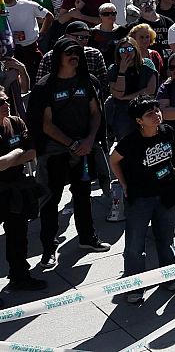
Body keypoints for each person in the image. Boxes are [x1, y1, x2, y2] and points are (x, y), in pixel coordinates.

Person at [36, 41, 110, 266]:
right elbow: (46, 125)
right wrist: (72, 144)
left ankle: (87, 238)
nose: (74, 57)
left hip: (84, 150)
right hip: (56, 152)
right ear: (58, 56)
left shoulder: (87, 81)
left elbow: (96, 113)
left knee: (83, 194)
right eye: (69, 53)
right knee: (51, 201)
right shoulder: (46, 86)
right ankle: (48, 249)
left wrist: (88, 141)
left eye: (77, 53)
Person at [109, 97, 175, 304]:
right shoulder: (130, 142)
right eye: (149, 113)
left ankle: (170, 277)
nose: (156, 115)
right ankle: (135, 286)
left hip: (166, 194)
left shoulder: (167, 131)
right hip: (140, 198)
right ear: (139, 120)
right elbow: (114, 160)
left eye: (156, 110)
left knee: (166, 238)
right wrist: (123, 184)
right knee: (135, 244)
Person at [0, 90, 44, 295]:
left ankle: (20, 276)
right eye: (1, 102)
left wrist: (13, 158)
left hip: (15, 190)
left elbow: (33, 152)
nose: (6, 103)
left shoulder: (16, 122)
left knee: (18, 237)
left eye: (6, 99)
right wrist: (18, 153)